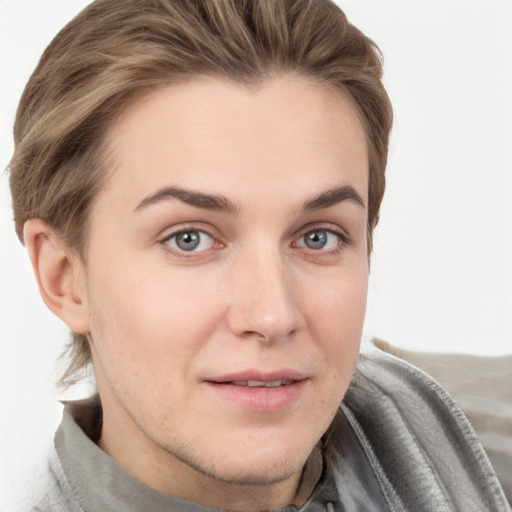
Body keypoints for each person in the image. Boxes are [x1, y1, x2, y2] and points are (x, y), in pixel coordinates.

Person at [7, 0, 509, 510]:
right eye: (190, 239)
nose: (272, 315)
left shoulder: (475, 436)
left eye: (319, 237)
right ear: (64, 277)